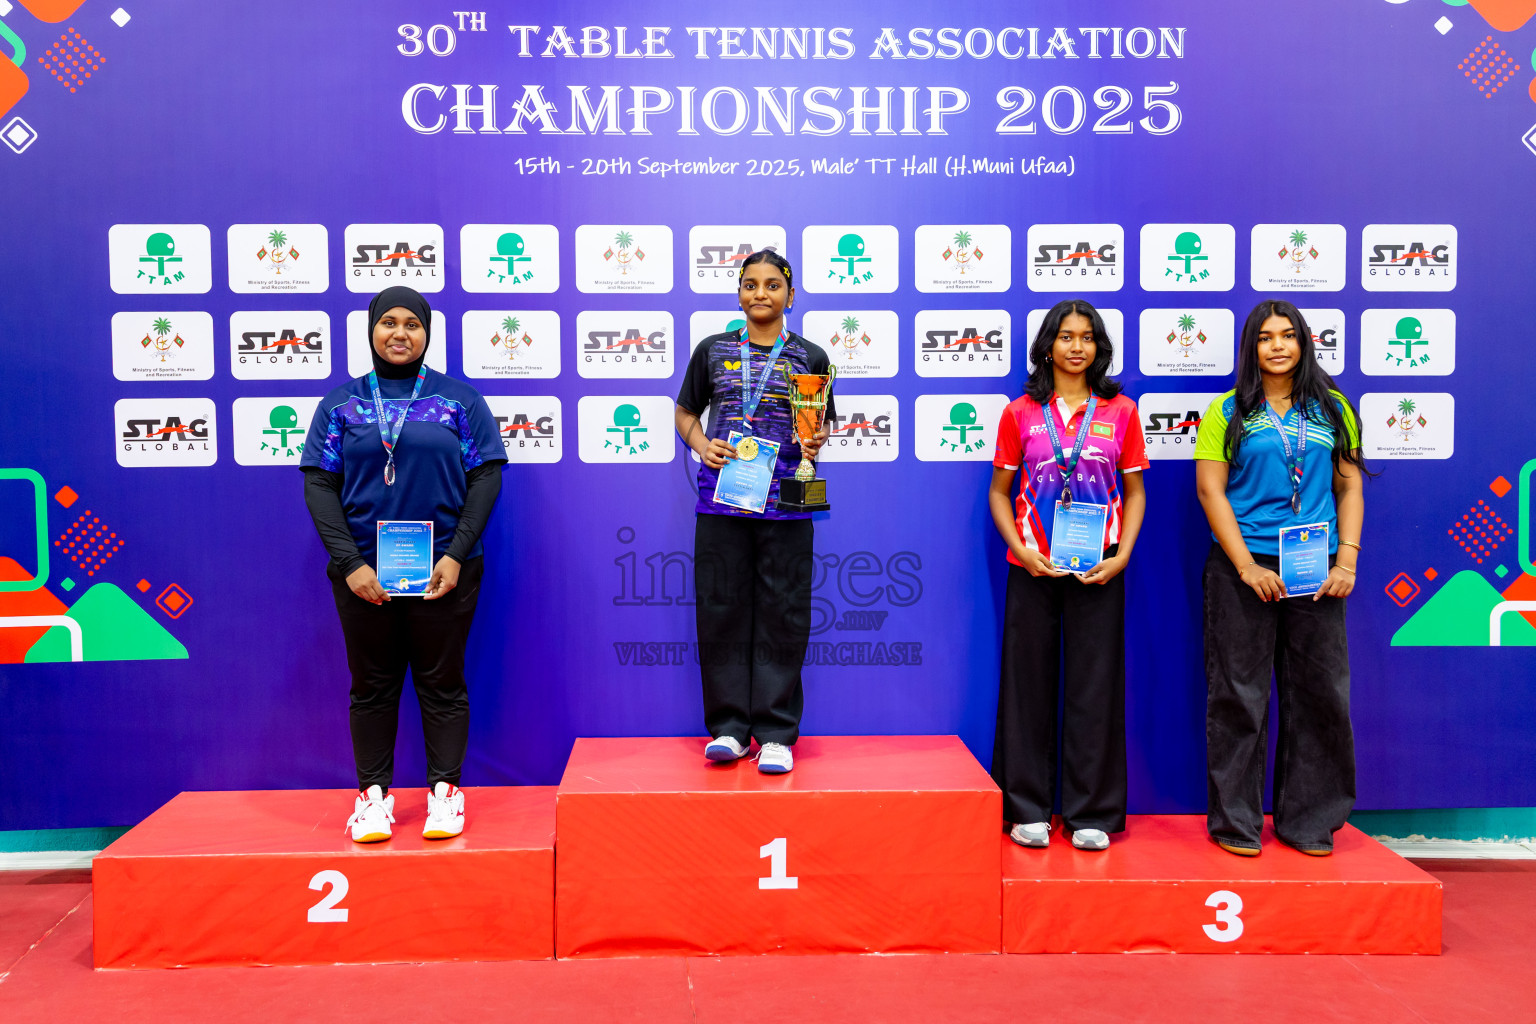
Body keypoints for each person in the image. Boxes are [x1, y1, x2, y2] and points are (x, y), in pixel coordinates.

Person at [300, 285, 505, 843]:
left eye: (411, 323)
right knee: (371, 686)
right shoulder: (341, 404)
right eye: (387, 322)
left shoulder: (458, 401)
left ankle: (445, 794)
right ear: (371, 330)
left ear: (427, 332)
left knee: (442, 683)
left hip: (445, 570)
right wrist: (349, 563)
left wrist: (456, 553)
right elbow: (319, 484)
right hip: (363, 574)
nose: (399, 333)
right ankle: (373, 799)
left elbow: (486, 477)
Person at [1194, 300, 1366, 857]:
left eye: (1287, 336)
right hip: (1241, 569)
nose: (1277, 346)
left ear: (1303, 343)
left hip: (1316, 572)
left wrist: (1347, 562)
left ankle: (1309, 822)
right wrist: (1246, 566)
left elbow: (1350, 489)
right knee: (1239, 697)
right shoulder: (1227, 410)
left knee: (1320, 696)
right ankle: (1236, 824)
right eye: (1265, 337)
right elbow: (1210, 490)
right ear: (1252, 347)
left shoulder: (1334, 408)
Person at [988, 299, 1148, 851]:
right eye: (1065, 336)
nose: (1076, 346)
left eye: (1086, 337)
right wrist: (1022, 550)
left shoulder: (1121, 411)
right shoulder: (1019, 414)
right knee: (1027, 689)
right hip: (1032, 566)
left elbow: (1135, 492)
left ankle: (1091, 814)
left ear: (1098, 347)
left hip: (1098, 568)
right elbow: (999, 493)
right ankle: (1026, 808)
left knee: (1094, 691)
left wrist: (1122, 555)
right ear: (1048, 346)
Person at [674, 251, 832, 775]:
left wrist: (817, 441)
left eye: (770, 285)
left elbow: (822, 424)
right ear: (738, 292)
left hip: (787, 502)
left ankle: (776, 733)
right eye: (748, 285)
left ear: (790, 293)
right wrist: (701, 443)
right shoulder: (713, 351)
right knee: (721, 610)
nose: (759, 294)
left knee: (783, 616)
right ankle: (727, 729)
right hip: (722, 499)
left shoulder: (810, 356)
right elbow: (684, 411)